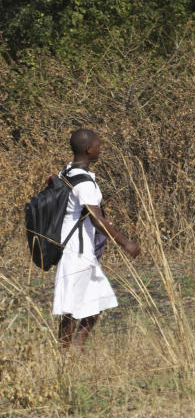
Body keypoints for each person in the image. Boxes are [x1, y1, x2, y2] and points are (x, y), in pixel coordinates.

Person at [53, 129, 141, 350]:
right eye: (98, 145)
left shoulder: (67, 172)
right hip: (77, 250)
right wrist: (125, 243)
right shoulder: (84, 183)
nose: (100, 149)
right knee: (74, 306)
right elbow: (97, 220)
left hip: (74, 247)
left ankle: (75, 347)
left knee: (99, 297)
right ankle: (66, 353)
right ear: (87, 149)